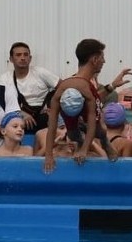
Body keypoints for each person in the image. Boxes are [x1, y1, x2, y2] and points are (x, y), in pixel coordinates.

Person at [43, 39, 124, 173]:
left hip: (89, 112)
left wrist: (84, 150)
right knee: (75, 134)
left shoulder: (63, 87)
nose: (104, 61)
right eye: (102, 58)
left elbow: (92, 123)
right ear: (94, 59)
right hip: (84, 109)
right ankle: (87, 141)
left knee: (100, 132)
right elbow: (52, 126)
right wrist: (48, 155)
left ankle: (104, 142)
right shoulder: (86, 89)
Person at [0, 42, 60, 133]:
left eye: (26, 55)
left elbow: (63, 87)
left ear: (30, 58)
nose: (22, 58)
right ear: (11, 59)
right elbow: (2, 103)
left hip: (43, 116)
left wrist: (52, 106)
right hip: (19, 117)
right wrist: (21, 113)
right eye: (18, 55)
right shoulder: (4, 79)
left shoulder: (40, 72)